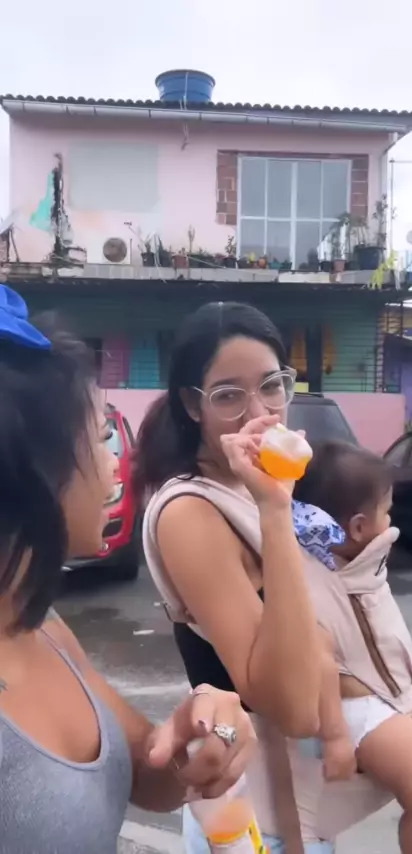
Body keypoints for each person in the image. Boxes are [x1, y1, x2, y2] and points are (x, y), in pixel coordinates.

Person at [0, 285, 255, 854]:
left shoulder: (43, 628)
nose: (118, 461)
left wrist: (198, 734)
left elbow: (149, 769)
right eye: (99, 440)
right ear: (36, 468)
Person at [136, 301, 373, 854]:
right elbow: (294, 708)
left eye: (271, 386)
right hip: (254, 818)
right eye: (228, 396)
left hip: (305, 806)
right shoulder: (190, 510)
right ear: (192, 405)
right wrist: (274, 510)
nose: (258, 412)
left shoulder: (255, 484)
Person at [293, 440, 412, 854]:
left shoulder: (357, 559)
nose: (391, 519)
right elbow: (321, 661)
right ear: (359, 527)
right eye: (387, 510)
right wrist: (336, 737)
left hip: (387, 689)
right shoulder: (314, 580)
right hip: (357, 704)